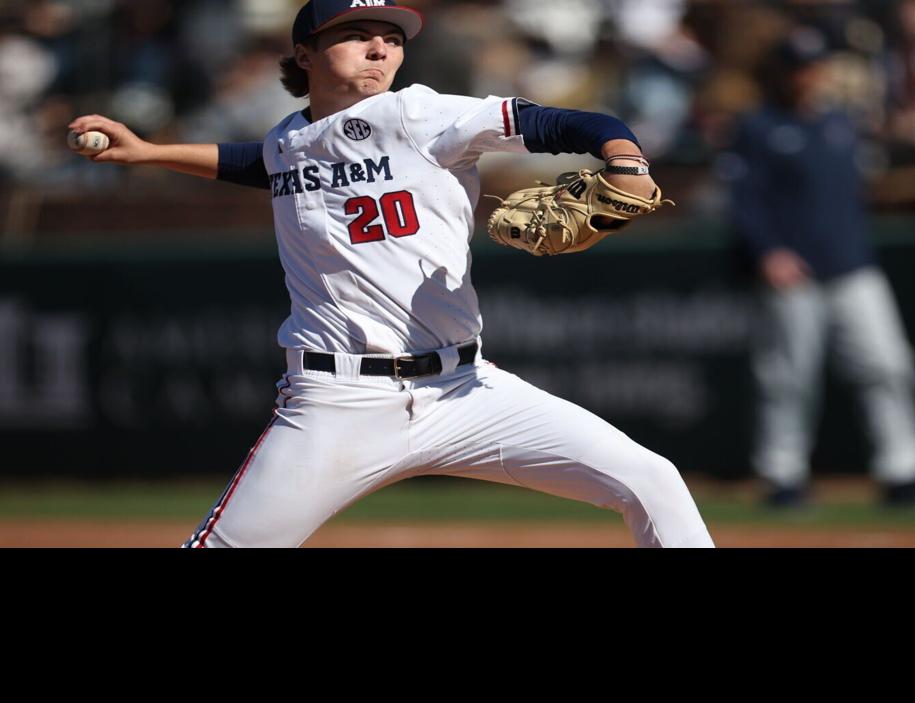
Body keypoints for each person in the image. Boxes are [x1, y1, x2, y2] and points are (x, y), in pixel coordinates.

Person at [67, 0, 714, 548]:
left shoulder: (420, 114)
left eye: (392, 38)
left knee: (651, 479)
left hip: (467, 391)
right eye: (355, 34)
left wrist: (625, 159)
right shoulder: (289, 138)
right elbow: (257, 163)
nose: (379, 47)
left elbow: (571, 121)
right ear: (304, 54)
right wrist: (150, 152)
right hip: (337, 402)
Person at [721, 26, 915, 508]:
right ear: (782, 72)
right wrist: (768, 252)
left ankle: (906, 472)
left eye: (813, 66)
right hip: (792, 272)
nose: (807, 76)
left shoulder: (840, 123)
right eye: (798, 67)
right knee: (788, 377)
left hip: (852, 264)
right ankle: (783, 475)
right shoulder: (757, 125)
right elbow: (744, 202)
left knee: (888, 366)